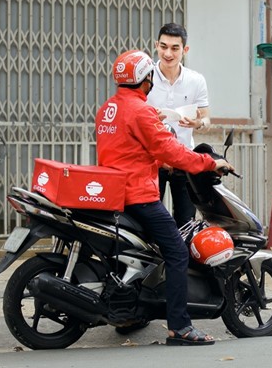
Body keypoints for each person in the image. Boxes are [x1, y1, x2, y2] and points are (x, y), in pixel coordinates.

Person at [96, 49, 233, 346]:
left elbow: (125, 150)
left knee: (145, 251)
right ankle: (180, 327)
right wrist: (210, 163)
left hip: (116, 192)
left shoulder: (109, 108)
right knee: (176, 252)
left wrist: (160, 162)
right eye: (150, 78)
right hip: (138, 195)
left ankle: (132, 314)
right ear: (146, 80)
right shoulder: (141, 110)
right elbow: (170, 148)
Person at [146, 23, 210, 228]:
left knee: (186, 221)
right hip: (152, 161)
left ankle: (183, 259)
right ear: (156, 45)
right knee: (150, 221)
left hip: (184, 158)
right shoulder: (145, 77)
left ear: (185, 50)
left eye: (175, 48)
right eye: (163, 46)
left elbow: (207, 120)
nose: (168, 53)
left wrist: (198, 122)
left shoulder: (196, 80)